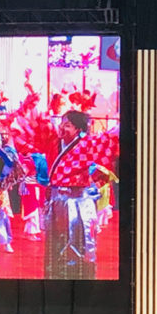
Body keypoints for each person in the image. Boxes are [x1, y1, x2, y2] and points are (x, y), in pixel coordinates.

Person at [38, 110, 119, 279]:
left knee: (78, 244)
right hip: (56, 200)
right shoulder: (55, 142)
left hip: (77, 202)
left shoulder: (88, 144)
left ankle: (79, 281)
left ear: (79, 129)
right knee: (56, 244)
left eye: (67, 125)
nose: (61, 128)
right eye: (61, 123)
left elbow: (110, 138)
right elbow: (38, 130)